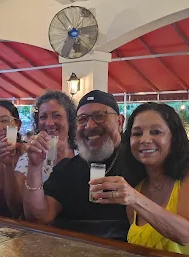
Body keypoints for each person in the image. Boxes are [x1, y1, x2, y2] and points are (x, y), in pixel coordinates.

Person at [89, 102, 189, 257]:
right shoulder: (137, 186)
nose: (145, 139)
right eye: (137, 133)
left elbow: (187, 234)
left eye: (156, 132)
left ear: (174, 137)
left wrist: (134, 198)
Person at [23, 90, 129, 239]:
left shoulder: (138, 163)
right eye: (82, 119)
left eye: (100, 116)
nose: (90, 125)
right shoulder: (67, 169)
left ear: (120, 122)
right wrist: (34, 166)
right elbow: (38, 218)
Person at [10, 91, 77, 217]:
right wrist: (33, 166)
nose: (49, 123)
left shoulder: (82, 157)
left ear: (69, 120)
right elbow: (17, 207)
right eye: (43, 117)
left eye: (56, 116)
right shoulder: (28, 159)